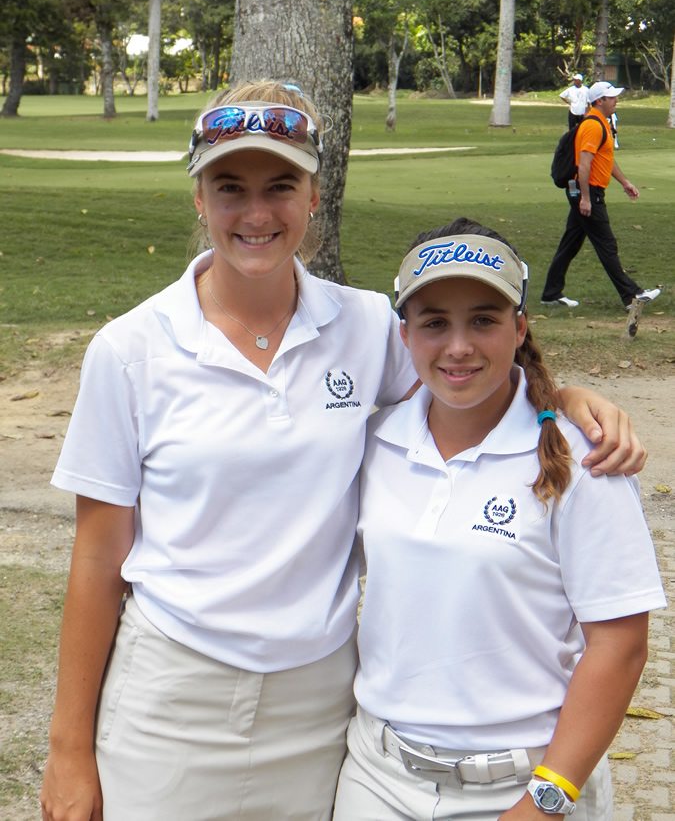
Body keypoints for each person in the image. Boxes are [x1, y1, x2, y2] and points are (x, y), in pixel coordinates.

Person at [40, 81, 647, 821]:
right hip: (172, 690)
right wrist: (68, 748)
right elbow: (98, 558)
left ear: (313, 196)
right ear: (199, 197)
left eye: (280, 186)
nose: (256, 213)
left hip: (322, 700)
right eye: (230, 188)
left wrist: (563, 402)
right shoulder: (130, 350)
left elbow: (471, 378)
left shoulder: (364, 326)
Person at [333, 218, 666, 821]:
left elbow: (619, 645)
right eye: (435, 323)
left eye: (484, 320)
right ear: (405, 335)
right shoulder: (375, 441)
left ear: (520, 327)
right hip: (378, 779)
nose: (459, 346)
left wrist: (547, 797)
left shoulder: (580, 459)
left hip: (525, 787)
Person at [541, 81, 660, 310]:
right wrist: (585, 198)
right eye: (611, 97)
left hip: (585, 190)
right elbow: (584, 164)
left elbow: (605, 159)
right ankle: (632, 295)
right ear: (599, 101)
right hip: (588, 191)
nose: (616, 100)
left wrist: (624, 182)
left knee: (570, 243)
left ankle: (550, 293)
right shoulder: (593, 126)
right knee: (606, 244)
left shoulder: (602, 123)